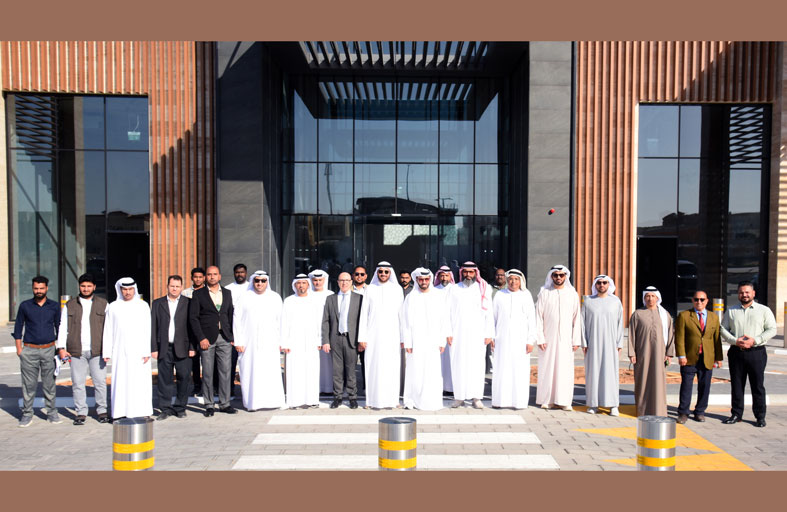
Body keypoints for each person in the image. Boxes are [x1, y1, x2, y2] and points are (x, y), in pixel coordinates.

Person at [720, 281, 777, 427]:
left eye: (747, 292)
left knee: (757, 386)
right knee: (737, 385)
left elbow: (772, 329)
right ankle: (736, 414)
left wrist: (755, 340)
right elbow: (723, 329)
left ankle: (760, 416)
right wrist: (735, 340)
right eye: (741, 292)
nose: (744, 295)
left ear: (753, 293)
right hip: (736, 353)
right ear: (738, 294)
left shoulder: (764, 310)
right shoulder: (731, 311)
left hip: (756, 353)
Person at [56, 273, 109, 425]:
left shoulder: (104, 304)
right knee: (78, 383)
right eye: (83, 286)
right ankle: (81, 412)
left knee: (100, 383)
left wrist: (108, 350)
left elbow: (109, 329)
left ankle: (102, 411)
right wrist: (61, 348)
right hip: (76, 351)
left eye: (89, 286)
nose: (86, 289)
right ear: (79, 287)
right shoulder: (70, 305)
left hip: (97, 351)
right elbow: (62, 327)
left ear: (94, 287)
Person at [14, 275, 62, 427]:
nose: (38, 291)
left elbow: (60, 328)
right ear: (32, 288)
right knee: (28, 385)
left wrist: (61, 348)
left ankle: (52, 412)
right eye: (36, 288)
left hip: (49, 350)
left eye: (41, 288)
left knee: (49, 384)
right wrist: (19, 349)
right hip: (29, 350)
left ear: (46, 288)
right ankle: (27, 414)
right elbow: (18, 327)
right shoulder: (25, 306)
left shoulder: (54, 306)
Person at [233, 270, 285, 411]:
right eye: (257, 281)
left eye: (263, 281)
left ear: (267, 282)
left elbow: (281, 321)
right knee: (250, 372)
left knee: (270, 371)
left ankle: (273, 401)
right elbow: (236, 320)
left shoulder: (275, 298)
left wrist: (282, 341)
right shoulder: (244, 297)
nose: (260, 283)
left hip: (270, 342)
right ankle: (252, 403)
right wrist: (238, 341)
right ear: (253, 281)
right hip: (248, 344)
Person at [189, 265, 236, 416]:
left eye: (215, 274)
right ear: (205, 277)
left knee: (225, 372)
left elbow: (230, 315)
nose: (212, 277)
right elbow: (193, 318)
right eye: (209, 274)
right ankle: (209, 404)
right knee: (208, 373)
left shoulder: (227, 293)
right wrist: (201, 338)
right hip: (207, 339)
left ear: (219, 276)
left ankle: (225, 403)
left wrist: (232, 336)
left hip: (225, 337)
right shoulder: (198, 294)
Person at [446, 261, 494, 409]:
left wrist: (489, 333)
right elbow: (447, 312)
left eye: (471, 272)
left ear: (475, 273)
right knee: (458, 364)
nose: (468, 274)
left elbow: (489, 312)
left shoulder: (483, 288)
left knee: (476, 365)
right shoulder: (454, 289)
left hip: (477, 334)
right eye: (465, 272)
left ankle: (476, 398)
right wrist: (448, 332)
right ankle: (459, 397)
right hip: (458, 333)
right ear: (461, 272)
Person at [103, 278, 153, 419]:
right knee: (121, 382)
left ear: (134, 289)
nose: (127, 292)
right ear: (120, 290)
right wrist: (107, 351)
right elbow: (108, 330)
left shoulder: (142, 306)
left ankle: (142, 412)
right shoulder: (113, 307)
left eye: (130, 289)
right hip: (120, 352)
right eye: (124, 289)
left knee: (139, 382)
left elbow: (147, 329)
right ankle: (119, 413)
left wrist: (146, 350)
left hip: (139, 353)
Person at [400, 268, 449, 410]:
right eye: (421, 279)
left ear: (430, 280)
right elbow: (405, 321)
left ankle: (431, 401)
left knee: (432, 371)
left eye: (426, 279)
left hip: (433, 341)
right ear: (416, 280)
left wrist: (442, 341)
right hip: (415, 341)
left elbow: (444, 320)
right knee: (415, 371)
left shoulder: (438, 296)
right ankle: (413, 400)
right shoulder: (411, 297)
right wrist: (407, 341)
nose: (423, 282)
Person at [358, 261, 404, 409]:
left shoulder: (397, 289)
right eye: (380, 271)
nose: (383, 274)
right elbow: (364, 314)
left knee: (392, 366)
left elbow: (402, 315)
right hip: (373, 335)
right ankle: (372, 401)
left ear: (390, 273)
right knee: (373, 366)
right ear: (377, 273)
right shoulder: (370, 289)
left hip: (392, 335)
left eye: (386, 272)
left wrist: (403, 337)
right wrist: (362, 337)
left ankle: (393, 400)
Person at [535, 265, 581, 411]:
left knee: (565, 369)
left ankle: (564, 401)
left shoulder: (572, 294)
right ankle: (547, 400)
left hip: (566, 339)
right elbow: (538, 317)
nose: (559, 277)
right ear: (551, 276)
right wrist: (540, 337)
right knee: (547, 368)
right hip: (548, 338)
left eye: (561, 275)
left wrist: (576, 339)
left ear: (566, 276)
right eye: (555, 275)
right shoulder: (544, 293)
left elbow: (577, 318)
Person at [675, 290, 722, 424]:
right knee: (686, 386)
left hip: (707, 357)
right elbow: (679, 337)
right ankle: (683, 412)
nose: (699, 302)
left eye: (702, 299)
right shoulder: (684, 316)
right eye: (696, 299)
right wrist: (681, 355)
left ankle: (700, 412)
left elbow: (716, 339)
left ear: (707, 301)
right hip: (689, 357)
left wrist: (718, 358)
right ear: (692, 301)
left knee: (705, 386)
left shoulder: (713, 317)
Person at [491, 269, 535, 410]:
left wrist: (530, 340)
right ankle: (500, 401)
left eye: (516, 279)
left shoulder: (526, 295)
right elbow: (493, 318)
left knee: (519, 370)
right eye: (510, 279)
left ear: (520, 281)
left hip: (521, 340)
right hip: (502, 339)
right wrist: (492, 337)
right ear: (507, 280)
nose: (513, 282)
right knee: (502, 369)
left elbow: (531, 319)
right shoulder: (500, 295)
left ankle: (519, 402)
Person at [151, 275, 193, 420]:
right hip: (164, 347)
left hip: (183, 347)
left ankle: (180, 407)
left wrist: (192, 347)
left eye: (177, 286)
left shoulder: (188, 303)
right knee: (164, 379)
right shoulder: (158, 303)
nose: (174, 289)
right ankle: (165, 408)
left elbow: (192, 326)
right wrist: (154, 348)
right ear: (167, 286)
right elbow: (153, 326)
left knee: (184, 378)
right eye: (172, 286)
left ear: (181, 287)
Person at [628, 286, 675, 417]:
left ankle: (659, 410)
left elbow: (670, 335)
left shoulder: (665, 315)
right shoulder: (638, 314)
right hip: (642, 354)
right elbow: (631, 335)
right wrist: (632, 353)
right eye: (647, 296)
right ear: (644, 298)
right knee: (642, 381)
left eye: (653, 296)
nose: (650, 299)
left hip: (660, 355)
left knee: (658, 381)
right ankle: (642, 410)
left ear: (657, 298)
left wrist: (669, 353)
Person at [581, 274, 624, 416]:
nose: (602, 285)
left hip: (611, 344)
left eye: (605, 282)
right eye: (599, 283)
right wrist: (584, 342)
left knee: (611, 374)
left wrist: (619, 343)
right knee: (593, 373)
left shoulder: (616, 301)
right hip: (592, 344)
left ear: (609, 285)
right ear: (595, 285)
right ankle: (593, 404)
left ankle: (613, 405)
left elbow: (620, 323)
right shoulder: (587, 301)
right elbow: (582, 323)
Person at [321, 272, 362, 409]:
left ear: (351, 282)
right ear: (337, 282)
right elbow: (326, 321)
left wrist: (361, 340)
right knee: (337, 370)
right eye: (341, 280)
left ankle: (352, 397)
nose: (344, 283)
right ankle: (337, 397)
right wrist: (325, 340)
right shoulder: (330, 299)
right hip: (335, 338)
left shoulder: (359, 299)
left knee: (351, 370)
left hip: (352, 339)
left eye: (347, 280)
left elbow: (362, 321)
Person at [281, 274, 322, 409]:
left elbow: (319, 322)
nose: (301, 286)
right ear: (294, 285)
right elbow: (284, 323)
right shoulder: (289, 301)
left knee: (311, 370)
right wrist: (285, 342)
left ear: (308, 285)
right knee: (295, 371)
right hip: (294, 342)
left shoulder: (315, 300)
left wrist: (319, 340)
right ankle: (295, 401)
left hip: (311, 341)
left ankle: (312, 400)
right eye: (298, 283)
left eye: (304, 283)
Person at [309, 269, 335, 395]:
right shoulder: (307, 295)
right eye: (315, 280)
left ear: (324, 280)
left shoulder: (330, 294)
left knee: (327, 363)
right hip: (310, 334)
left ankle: (328, 388)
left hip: (327, 333)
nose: (317, 283)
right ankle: (315, 388)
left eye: (320, 280)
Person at [224, 263, 248, 399]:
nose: (240, 274)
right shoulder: (228, 289)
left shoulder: (251, 287)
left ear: (246, 273)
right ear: (234, 273)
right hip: (232, 330)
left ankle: (248, 390)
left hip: (248, 331)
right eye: (237, 272)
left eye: (242, 272)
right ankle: (230, 390)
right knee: (230, 363)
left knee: (248, 363)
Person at [182, 267, 206, 399]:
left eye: (200, 277)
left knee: (208, 361)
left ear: (204, 278)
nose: (198, 279)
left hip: (205, 331)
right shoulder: (185, 293)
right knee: (194, 361)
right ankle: (197, 385)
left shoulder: (208, 292)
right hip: (190, 331)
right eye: (195, 277)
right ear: (192, 278)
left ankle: (209, 387)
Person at [434, 265, 455, 396]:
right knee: (438, 359)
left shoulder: (456, 289)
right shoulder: (434, 290)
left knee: (451, 358)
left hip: (452, 329)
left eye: (446, 275)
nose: (444, 278)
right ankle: (439, 386)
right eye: (442, 275)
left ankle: (451, 387)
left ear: (450, 276)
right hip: (437, 329)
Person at [487, 267, 507, 374]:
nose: (500, 277)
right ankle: (494, 371)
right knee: (493, 348)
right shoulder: (489, 288)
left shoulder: (509, 288)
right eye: (498, 275)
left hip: (506, 323)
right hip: (493, 322)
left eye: (502, 275)